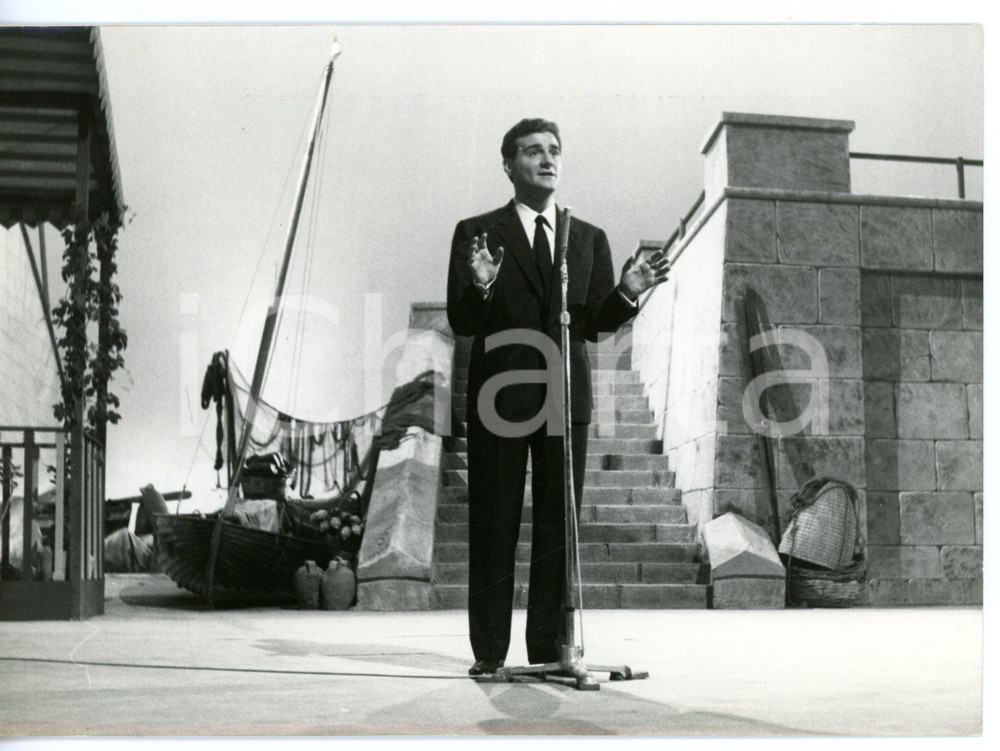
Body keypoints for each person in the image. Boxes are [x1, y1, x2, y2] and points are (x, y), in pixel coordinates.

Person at [446, 118, 670, 675]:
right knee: (493, 527)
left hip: (565, 400)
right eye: (531, 152)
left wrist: (627, 292)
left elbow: (594, 323)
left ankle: (547, 651)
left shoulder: (586, 237)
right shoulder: (478, 233)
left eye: (554, 151)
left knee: (557, 527)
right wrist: (482, 284)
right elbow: (462, 320)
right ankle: (490, 653)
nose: (546, 160)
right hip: (500, 399)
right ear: (508, 165)